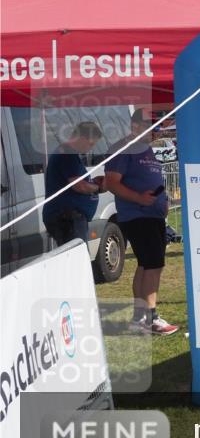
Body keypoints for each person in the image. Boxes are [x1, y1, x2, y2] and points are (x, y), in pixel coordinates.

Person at [104, 109, 178, 336]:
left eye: (157, 127)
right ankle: (151, 318)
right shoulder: (124, 148)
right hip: (138, 215)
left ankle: (139, 318)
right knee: (154, 265)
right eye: (152, 126)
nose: (156, 131)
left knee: (146, 265)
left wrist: (162, 202)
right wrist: (140, 199)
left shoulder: (147, 149)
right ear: (136, 126)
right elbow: (111, 182)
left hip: (152, 215)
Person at [42, 121, 105, 247]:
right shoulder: (67, 153)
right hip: (68, 218)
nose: (91, 148)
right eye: (91, 144)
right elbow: (78, 185)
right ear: (82, 138)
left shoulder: (69, 153)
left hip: (70, 218)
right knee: (76, 259)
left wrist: (91, 182)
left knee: (74, 258)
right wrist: (98, 188)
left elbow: (78, 182)